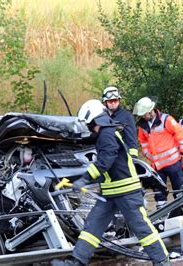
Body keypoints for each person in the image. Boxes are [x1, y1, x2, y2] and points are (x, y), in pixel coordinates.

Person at [59, 99, 169, 265]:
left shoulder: (106, 134)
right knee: (92, 226)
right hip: (110, 192)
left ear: (95, 120)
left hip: (126, 192)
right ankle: (76, 261)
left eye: (89, 125)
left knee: (142, 229)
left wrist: (85, 179)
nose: (89, 129)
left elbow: (106, 159)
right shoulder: (105, 133)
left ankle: (161, 261)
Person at [133, 97, 183, 209]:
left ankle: (182, 209)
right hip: (157, 165)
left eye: (144, 114)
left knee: (179, 188)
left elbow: (180, 135)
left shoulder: (166, 120)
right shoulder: (143, 125)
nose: (143, 116)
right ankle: (162, 210)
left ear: (150, 110)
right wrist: (148, 155)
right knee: (159, 191)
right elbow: (143, 142)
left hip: (173, 162)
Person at [101, 86, 138, 157]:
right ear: (105, 102)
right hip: (107, 157)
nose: (113, 103)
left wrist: (133, 159)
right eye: (110, 101)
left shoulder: (127, 117)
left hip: (122, 156)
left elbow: (132, 141)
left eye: (115, 100)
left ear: (119, 100)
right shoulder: (102, 117)